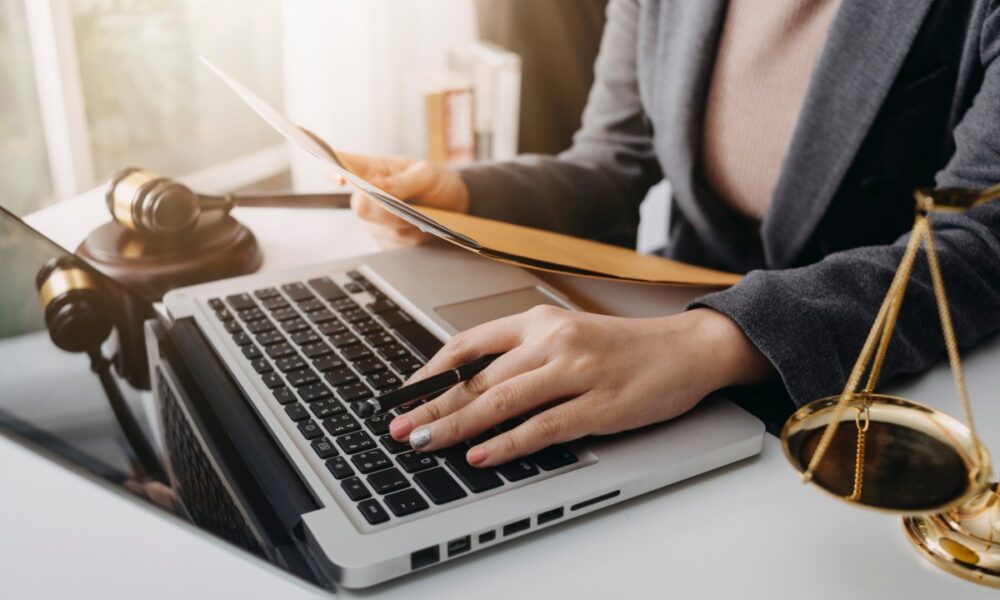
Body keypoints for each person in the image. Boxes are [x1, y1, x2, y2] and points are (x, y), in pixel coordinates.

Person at [338, 0, 1000, 469]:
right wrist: (462, 196)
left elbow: (979, 242)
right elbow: (614, 158)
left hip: (880, 389)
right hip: (654, 335)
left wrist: (712, 339)